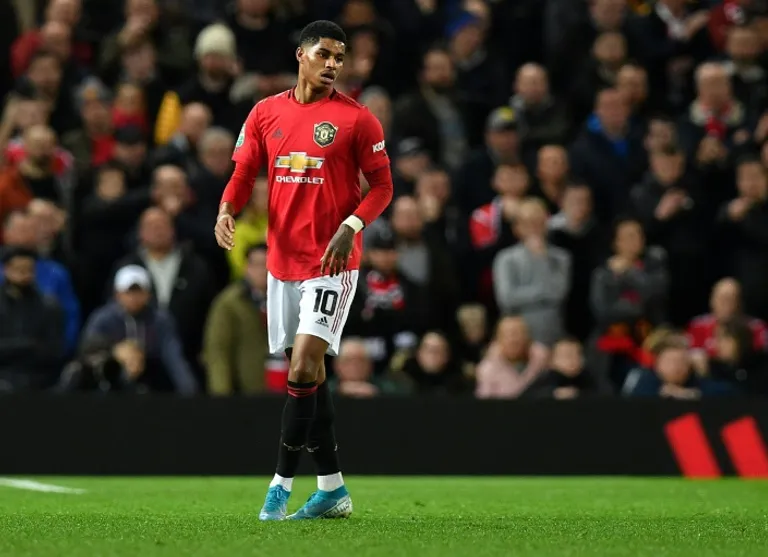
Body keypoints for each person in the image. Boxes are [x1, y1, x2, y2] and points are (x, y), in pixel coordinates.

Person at [214, 21, 393, 521]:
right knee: (312, 376)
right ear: (301, 55)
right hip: (282, 262)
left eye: (340, 57)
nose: (333, 64)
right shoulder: (265, 112)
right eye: (324, 54)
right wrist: (226, 209)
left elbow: (383, 187)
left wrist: (352, 225)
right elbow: (243, 172)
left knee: (300, 369)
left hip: (332, 264)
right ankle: (333, 489)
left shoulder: (357, 120)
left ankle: (279, 488)